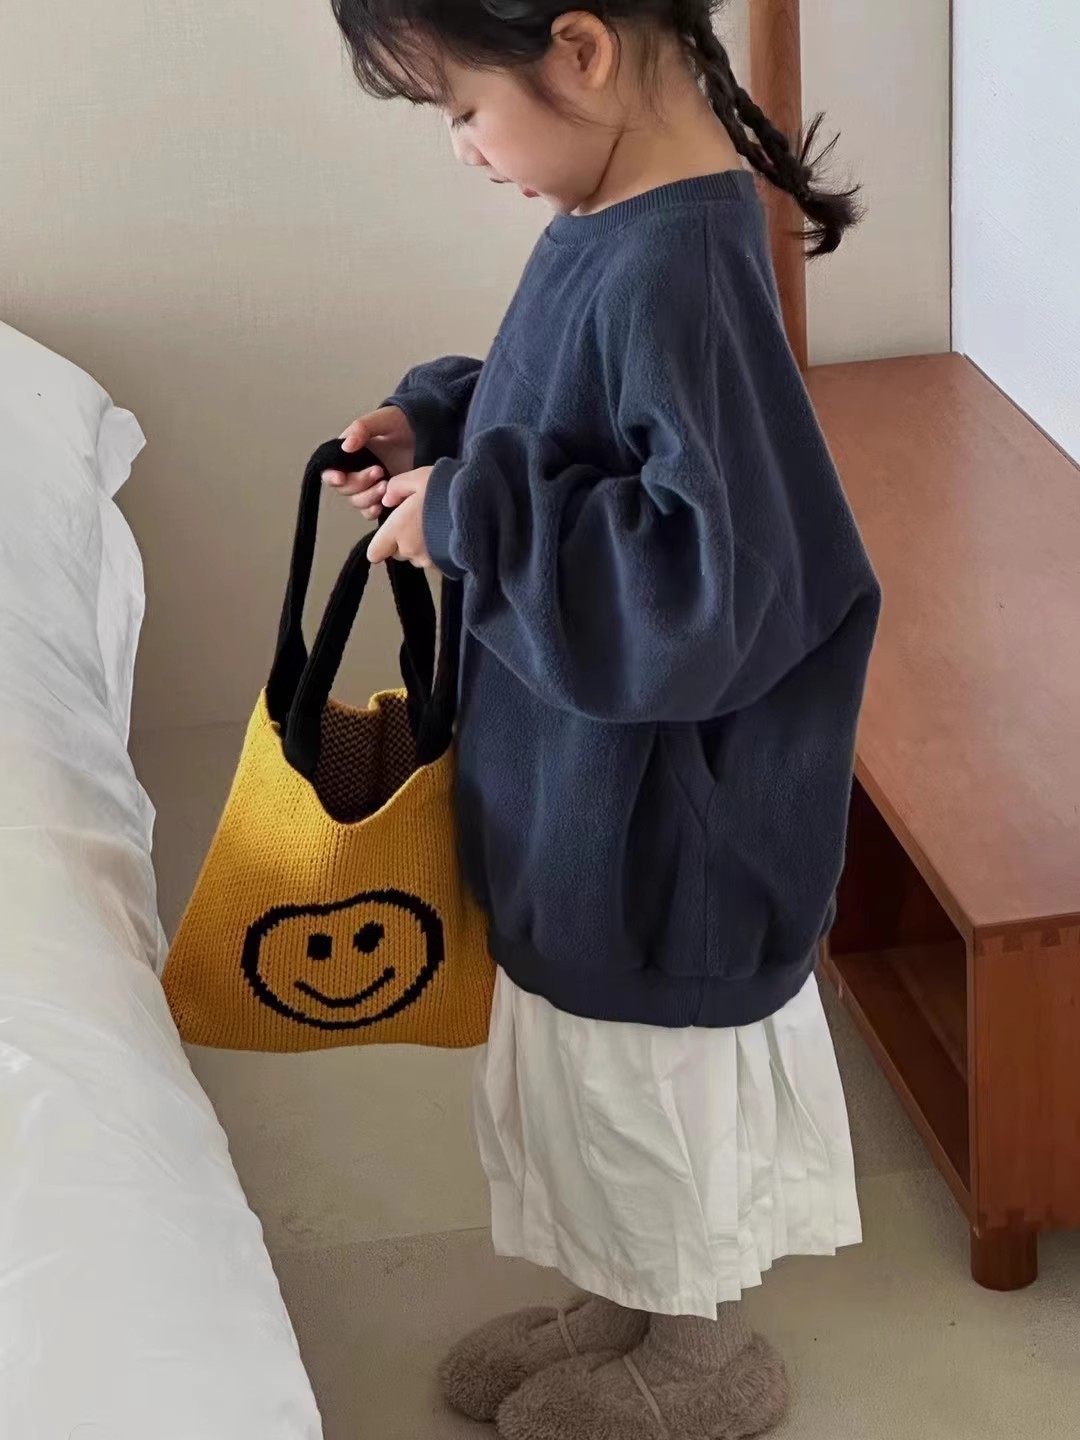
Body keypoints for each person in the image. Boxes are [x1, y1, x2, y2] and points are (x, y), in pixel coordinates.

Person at [322, 4, 880, 1437]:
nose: (462, 149)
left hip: (663, 818)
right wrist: (442, 427)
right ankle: (622, 1305)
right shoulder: (610, 227)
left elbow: (716, 583)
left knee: (650, 1088)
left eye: (460, 108)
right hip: (586, 784)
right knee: (590, 1077)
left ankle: (705, 1357)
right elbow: (570, 418)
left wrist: (478, 514)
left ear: (579, 50)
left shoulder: (679, 267)